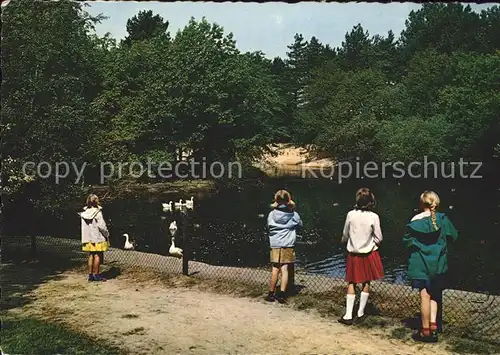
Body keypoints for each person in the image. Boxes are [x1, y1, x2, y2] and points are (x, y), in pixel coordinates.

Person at [403, 191, 458, 343]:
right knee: (434, 294)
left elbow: (406, 242)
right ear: (436, 203)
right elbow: (454, 236)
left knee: (424, 296)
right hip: (439, 264)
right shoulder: (443, 219)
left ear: (421, 204)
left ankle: (425, 330)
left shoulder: (414, 221)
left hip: (420, 264)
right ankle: (433, 327)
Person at [339, 188, 384, 325]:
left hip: (353, 253)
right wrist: (373, 243)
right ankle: (360, 313)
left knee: (351, 282)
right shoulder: (374, 217)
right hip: (368, 252)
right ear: (371, 201)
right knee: (366, 281)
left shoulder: (350, 215)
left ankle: (347, 315)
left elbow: (346, 233)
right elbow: (379, 237)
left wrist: (345, 240)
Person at [265, 189, 302, 304]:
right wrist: (292, 208)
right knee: (285, 269)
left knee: (275, 268)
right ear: (289, 200)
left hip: (275, 244)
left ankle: (271, 293)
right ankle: (282, 294)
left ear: (276, 200)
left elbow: (268, 226)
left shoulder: (271, 215)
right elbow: (300, 224)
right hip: (287, 244)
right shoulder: (293, 215)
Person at [79, 194, 110, 282]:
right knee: (97, 255)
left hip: (88, 238)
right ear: (96, 201)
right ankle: (97, 274)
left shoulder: (84, 213)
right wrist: (107, 234)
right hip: (97, 237)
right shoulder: (98, 212)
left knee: (91, 255)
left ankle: (90, 275)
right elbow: (102, 226)